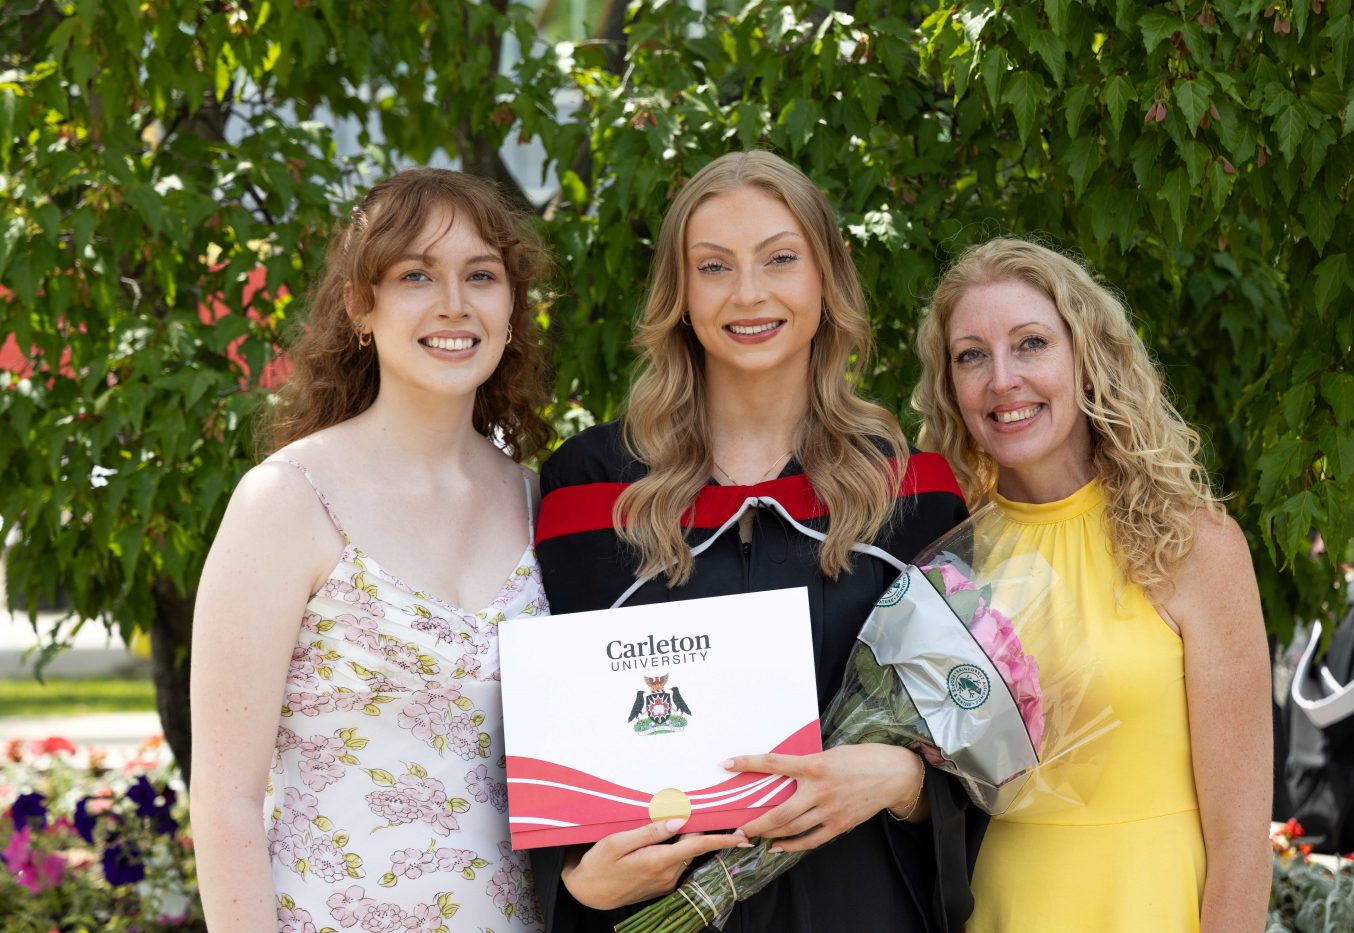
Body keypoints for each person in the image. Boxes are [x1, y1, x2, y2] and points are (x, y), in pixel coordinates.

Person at [531, 150, 987, 933]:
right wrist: (577, 884)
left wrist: (906, 780)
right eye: (714, 266)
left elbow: (970, 745)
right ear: (680, 295)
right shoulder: (590, 491)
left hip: (862, 909)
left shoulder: (913, 496)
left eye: (780, 259)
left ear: (825, 279)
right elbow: (547, 730)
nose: (749, 293)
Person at [189, 169, 553, 932]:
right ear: (361, 304)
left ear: (510, 306)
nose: (454, 302)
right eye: (415, 274)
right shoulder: (287, 500)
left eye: (480, 275)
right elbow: (225, 799)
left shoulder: (537, 502)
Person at [912, 237, 1272, 931]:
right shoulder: (949, 562)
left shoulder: (1196, 546)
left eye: (1031, 343)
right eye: (972, 355)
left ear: (1087, 357)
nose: (1002, 379)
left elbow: (1241, 842)